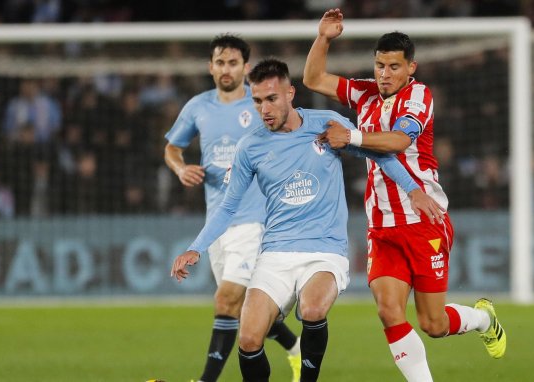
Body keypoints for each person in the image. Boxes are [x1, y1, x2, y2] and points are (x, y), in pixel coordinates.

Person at [171, 58, 442, 382]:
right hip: (275, 255)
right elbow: (228, 208)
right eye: (257, 101)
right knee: (248, 338)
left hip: (324, 252)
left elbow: (379, 155)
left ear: (290, 93)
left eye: (271, 99)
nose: (264, 109)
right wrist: (195, 248)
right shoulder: (251, 147)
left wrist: (413, 190)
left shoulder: (326, 125)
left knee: (312, 310)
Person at [303, 9, 507, 381]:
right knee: (388, 311)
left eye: (394, 67)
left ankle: (483, 319)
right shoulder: (364, 92)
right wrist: (324, 38)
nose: (384, 74)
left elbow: (398, 141)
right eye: (380, 66)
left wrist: (351, 136)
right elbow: (313, 77)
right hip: (381, 226)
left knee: (433, 322)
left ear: (410, 68)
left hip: (423, 221)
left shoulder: (419, 97)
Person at [164, 35, 301, 382]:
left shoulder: (260, 106)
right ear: (211, 67)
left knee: (226, 300)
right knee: (241, 308)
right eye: (220, 63)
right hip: (218, 222)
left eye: (233, 63)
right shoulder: (198, 107)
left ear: (246, 68)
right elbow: (172, 148)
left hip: (255, 221)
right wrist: (181, 168)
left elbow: (289, 137)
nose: (226, 69)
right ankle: (292, 343)